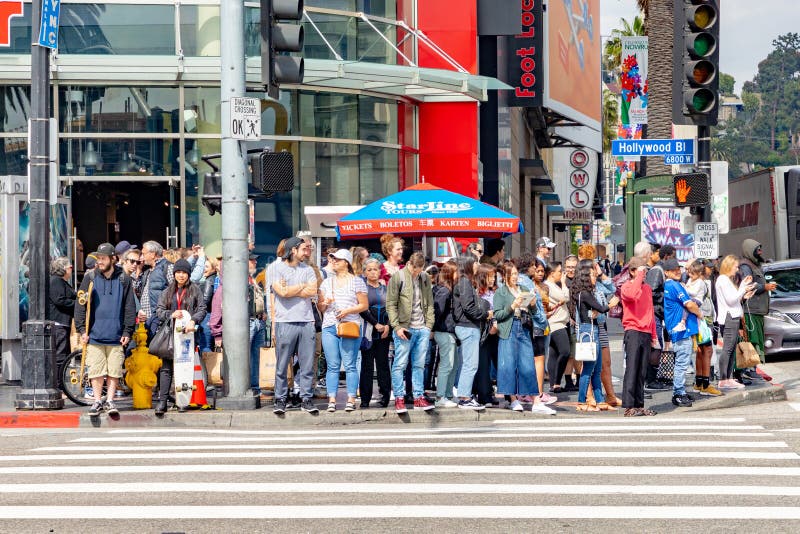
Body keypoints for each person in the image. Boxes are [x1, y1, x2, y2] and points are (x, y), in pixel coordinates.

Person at [73, 243, 137, 417]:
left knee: (114, 370)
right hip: (94, 333)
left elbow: (129, 307)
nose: (99, 261)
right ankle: (96, 401)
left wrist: (127, 331)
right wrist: (81, 329)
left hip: (116, 334)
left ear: (112, 259)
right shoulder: (90, 277)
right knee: (96, 370)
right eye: (98, 258)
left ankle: (109, 400)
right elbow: (80, 305)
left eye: (103, 258)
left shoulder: (123, 279)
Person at [270, 236, 321, 414]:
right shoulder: (275, 268)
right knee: (282, 364)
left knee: (307, 365)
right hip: (285, 321)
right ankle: (280, 399)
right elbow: (281, 292)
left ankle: (306, 398)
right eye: (303, 249)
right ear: (293, 250)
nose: (306, 252)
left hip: (307, 320)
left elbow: (312, 290)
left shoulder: (308, 269)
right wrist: (301, 287)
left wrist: (292, 288)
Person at [494, 261, 550, 413]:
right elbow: (498, 314)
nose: (515, 277)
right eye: (511, 274)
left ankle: (536, 400)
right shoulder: (501, 292)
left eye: (516, 274)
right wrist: (512, 306)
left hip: (524, 327)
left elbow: (535, 311)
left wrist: (531, 304)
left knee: (527, 365)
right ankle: (513, 399)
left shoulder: (524, 288)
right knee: (509, 365)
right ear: (505, 276)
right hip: (508, 329)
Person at [153, 259, 207, 415]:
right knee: (166, 368)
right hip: (171, 336)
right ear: (174, 274)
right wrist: (171, 314)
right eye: (178, 272)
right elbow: (159, 311)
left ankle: (182, 400)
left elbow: (202, 309)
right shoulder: (167, 291)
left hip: (189, 335)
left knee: (185, 367)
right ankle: (162, 401)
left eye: (184, 272)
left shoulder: (195, 290)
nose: (181, 275)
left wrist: (193, 320)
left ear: (189, 274)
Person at [317, 249, 368, 412]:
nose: (334, 262)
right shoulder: (326, 283)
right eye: (332, 259)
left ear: (345, 262)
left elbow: (364, 305)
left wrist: (347, 311)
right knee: (332, 365)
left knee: (350, 364)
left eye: (337, 259)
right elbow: (321, 307)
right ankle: (332, 399)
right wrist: (325, 303)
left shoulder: (357, 281)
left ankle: (351, 399)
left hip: (349, 325)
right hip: (330, 326)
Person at [386, 252, 435, 413]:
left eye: (419, 270)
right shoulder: (398, 277)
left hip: (421, 328)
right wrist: (397, 326)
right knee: (400, 364)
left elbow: (429, 303)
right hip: (405, 328)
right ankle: (399, 398)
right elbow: (391, 304)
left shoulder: (424, 278)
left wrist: (428, 326)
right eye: (414, 270)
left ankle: (418, 397)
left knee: (419, 365)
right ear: (409, 264)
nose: (416, 273)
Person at [662, 258, 704, 408]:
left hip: (676, 327)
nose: (677, 271)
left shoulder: (670, 284)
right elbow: (689, 304)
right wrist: (700, 314)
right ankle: (678, 393)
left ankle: (681, 391)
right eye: (673, 270)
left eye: (678, 269)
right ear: (666, 272)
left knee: (682, 361)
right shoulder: (674, 285)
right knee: (682, 363)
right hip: (680, 329)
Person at [619, 256, 658, 417]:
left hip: (646, 332)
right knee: (632, 368)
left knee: (642, 370)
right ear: (632, 271)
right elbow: (632, 295)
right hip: (633, 330)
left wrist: (654, 335)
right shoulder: (626, 286)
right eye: (641, 270)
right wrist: (639, 276)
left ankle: (639, 405)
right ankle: (629, 406)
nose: (644, 274)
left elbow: (650, 311)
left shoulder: (647, 288)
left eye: (645, 271)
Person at [569, 262, 610, 411]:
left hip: (593, 330)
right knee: (588, 368)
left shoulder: (585, 293)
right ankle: (581, 401)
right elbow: (602, 307)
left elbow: (598, 310)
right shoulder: (584, 294)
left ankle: (600, 400)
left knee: (597, 369)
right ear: (586, 278)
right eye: (592, 275)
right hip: (589, 332)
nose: (595, 278)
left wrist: (599, 311)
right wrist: (612, 303)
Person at [453, 255, 490, 411]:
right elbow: (468, 307)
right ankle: (464, 398)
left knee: (469, 363)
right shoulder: (464, 283)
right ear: (468, 265)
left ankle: (465, 395)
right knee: (470, 364)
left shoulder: (465, 282)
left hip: (468, 326)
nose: (477, 265)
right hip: (468, 327)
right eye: (475, 262)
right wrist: (484, 314)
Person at [716, 255, 756, 390]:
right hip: (729, 318)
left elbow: (734, 299)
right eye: (735, 266)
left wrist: (744, 293)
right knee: (728, 349)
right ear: (728, 266)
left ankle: (728, 377)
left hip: (732, 316)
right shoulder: (723, 280)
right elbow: (732, 300)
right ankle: (723, 379)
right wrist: (743, 288)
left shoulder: (725, 280)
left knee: (731, 349)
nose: (737, 269)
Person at [739, 239, 775, 381]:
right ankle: (749, 369)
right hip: (750, 310)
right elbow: (749, 286)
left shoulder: (755, 265)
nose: (760, 252)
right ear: (750, 251)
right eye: (757, 250)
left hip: (758, 310)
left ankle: (752, 368)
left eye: (760, 249)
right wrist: (764, 287)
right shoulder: (745, 266)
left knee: (757, 340)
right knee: (751, 340)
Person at [685, 259, 722, 396]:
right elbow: (699, 301)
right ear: (702, 271)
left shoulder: (690, 283)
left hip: (695, 319)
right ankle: (705, 384)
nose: (689, 275)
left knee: (700, 351)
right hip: (703, 319)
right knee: (707, 350)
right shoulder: (701, 283)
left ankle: (698, 382)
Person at [359, 258, 392, 409]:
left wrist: (387, 326)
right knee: (367, 366)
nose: (373, 272)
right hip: (368, 332)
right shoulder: (363, 288)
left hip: (384, 332)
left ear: (380, 271)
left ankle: (385, 396)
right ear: (364, 272)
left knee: (383, 365)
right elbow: (362, 309)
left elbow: (392, 309)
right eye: (369, 269)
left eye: (376, 269)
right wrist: (375, 323)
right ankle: (365, 399)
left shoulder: (385, 288)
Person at [432, 260, 459, 407]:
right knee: (447, 365)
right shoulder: (444, 290)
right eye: (456, 272)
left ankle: (447, 394)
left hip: (447, 331)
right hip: (444, 331)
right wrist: (433, 328)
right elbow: (438, 312)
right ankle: (440, 396)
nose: (459, 275)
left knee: (453, 365)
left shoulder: (445, 289)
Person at [49, 256, 75, 389]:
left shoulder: (62, 282)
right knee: (60, 355)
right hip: (59, 322)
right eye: (70, 267)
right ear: (64, 269)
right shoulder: (56, 281)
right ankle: (59, 386)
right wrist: (77, 304)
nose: (72, 269)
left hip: (63, 323)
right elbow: (60, 300)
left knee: (63, 355)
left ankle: (60, 385)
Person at [544, 262, 570, 393]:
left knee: (554, 353)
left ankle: (554, 384)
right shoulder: (549, 286)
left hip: (558, 322)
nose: (562, 274)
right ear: (551, 273)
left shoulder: (553, 285)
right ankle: (557, 382)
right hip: (556, 324)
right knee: (565, 351)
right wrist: (564, 284)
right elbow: (565, 297)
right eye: (560, 271)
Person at [474, 264, 498, 407]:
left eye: (494, 277)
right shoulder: (477, 293)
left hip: (496, 330)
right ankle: (484, 395)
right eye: (490, 277)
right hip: (483, 331)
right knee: (483, 364)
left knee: (494, 364)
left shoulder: (494, 292)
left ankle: (491, 392)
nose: (493, 280)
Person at [139, 240, 174, 336]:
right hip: (147, 321)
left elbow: (175, 291)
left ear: (153, 254)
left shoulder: (167, 267)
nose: (141, 257)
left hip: (159, 320)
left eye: (144, 253)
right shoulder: (148, 271)